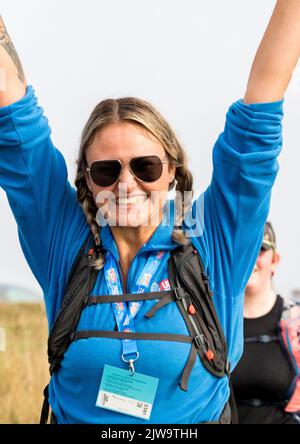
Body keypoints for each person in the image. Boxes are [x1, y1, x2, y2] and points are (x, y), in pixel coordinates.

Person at [1, 1, 300, 424]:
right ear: (86, 179)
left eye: (145, 167)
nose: (126, 184)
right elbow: (12, 118)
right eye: (106, 170)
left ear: (172, 171)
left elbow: (261, 109)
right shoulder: (63, 244)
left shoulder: (213, 242)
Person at [232, 222, 300, 424]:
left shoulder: (295, 321)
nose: (251, 257)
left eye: (260, 249)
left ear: (275, 261)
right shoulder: (210, 322)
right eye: (244, 250)